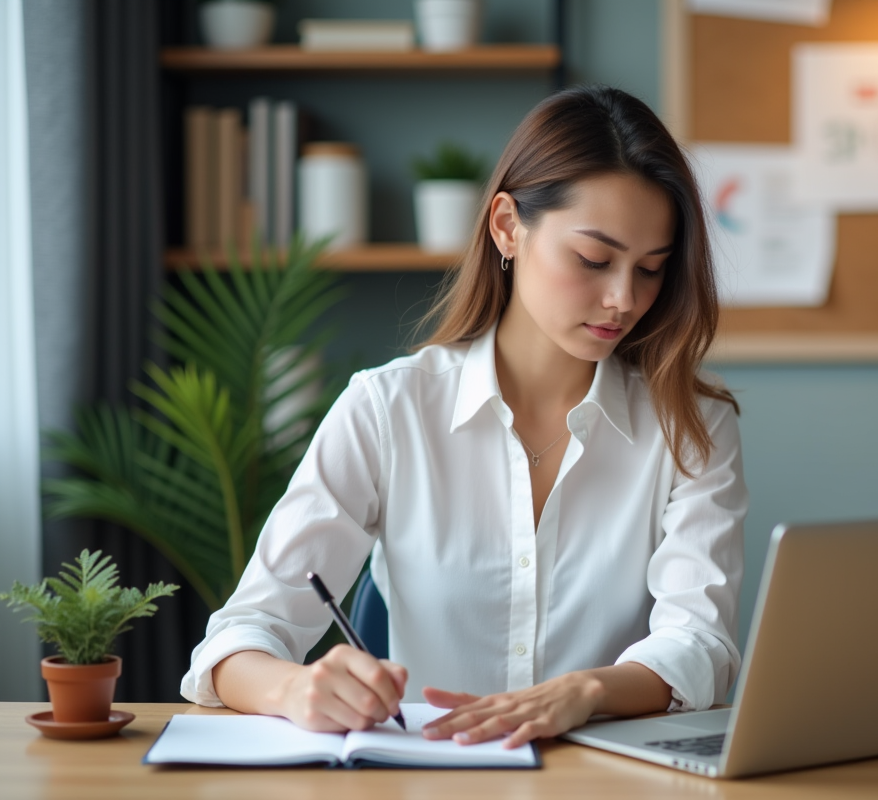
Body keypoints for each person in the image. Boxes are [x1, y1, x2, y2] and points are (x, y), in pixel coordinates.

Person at [181, 85, 747, 750]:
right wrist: (295, 688)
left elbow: (701, 642)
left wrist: (586, 691)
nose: (623, 299)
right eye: (593, 259)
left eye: (650, 270)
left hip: (610, 784)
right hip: (427, 779)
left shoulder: (691, 426)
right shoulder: (388, 409)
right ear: (508, 226)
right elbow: (240, 637)